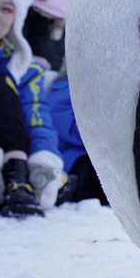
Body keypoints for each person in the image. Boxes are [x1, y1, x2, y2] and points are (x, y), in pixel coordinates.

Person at [0, 0, 64, 216]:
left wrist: (43, 159)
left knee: (0, 82)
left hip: (10, 153)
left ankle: (18, 176)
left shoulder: (26, 70)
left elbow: (36, 116)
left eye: (6, 9)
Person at [48, 75, 107, 204]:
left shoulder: (101, 89)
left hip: (95, 155)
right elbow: (66, 127)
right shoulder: (64, 89)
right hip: (74, 159)